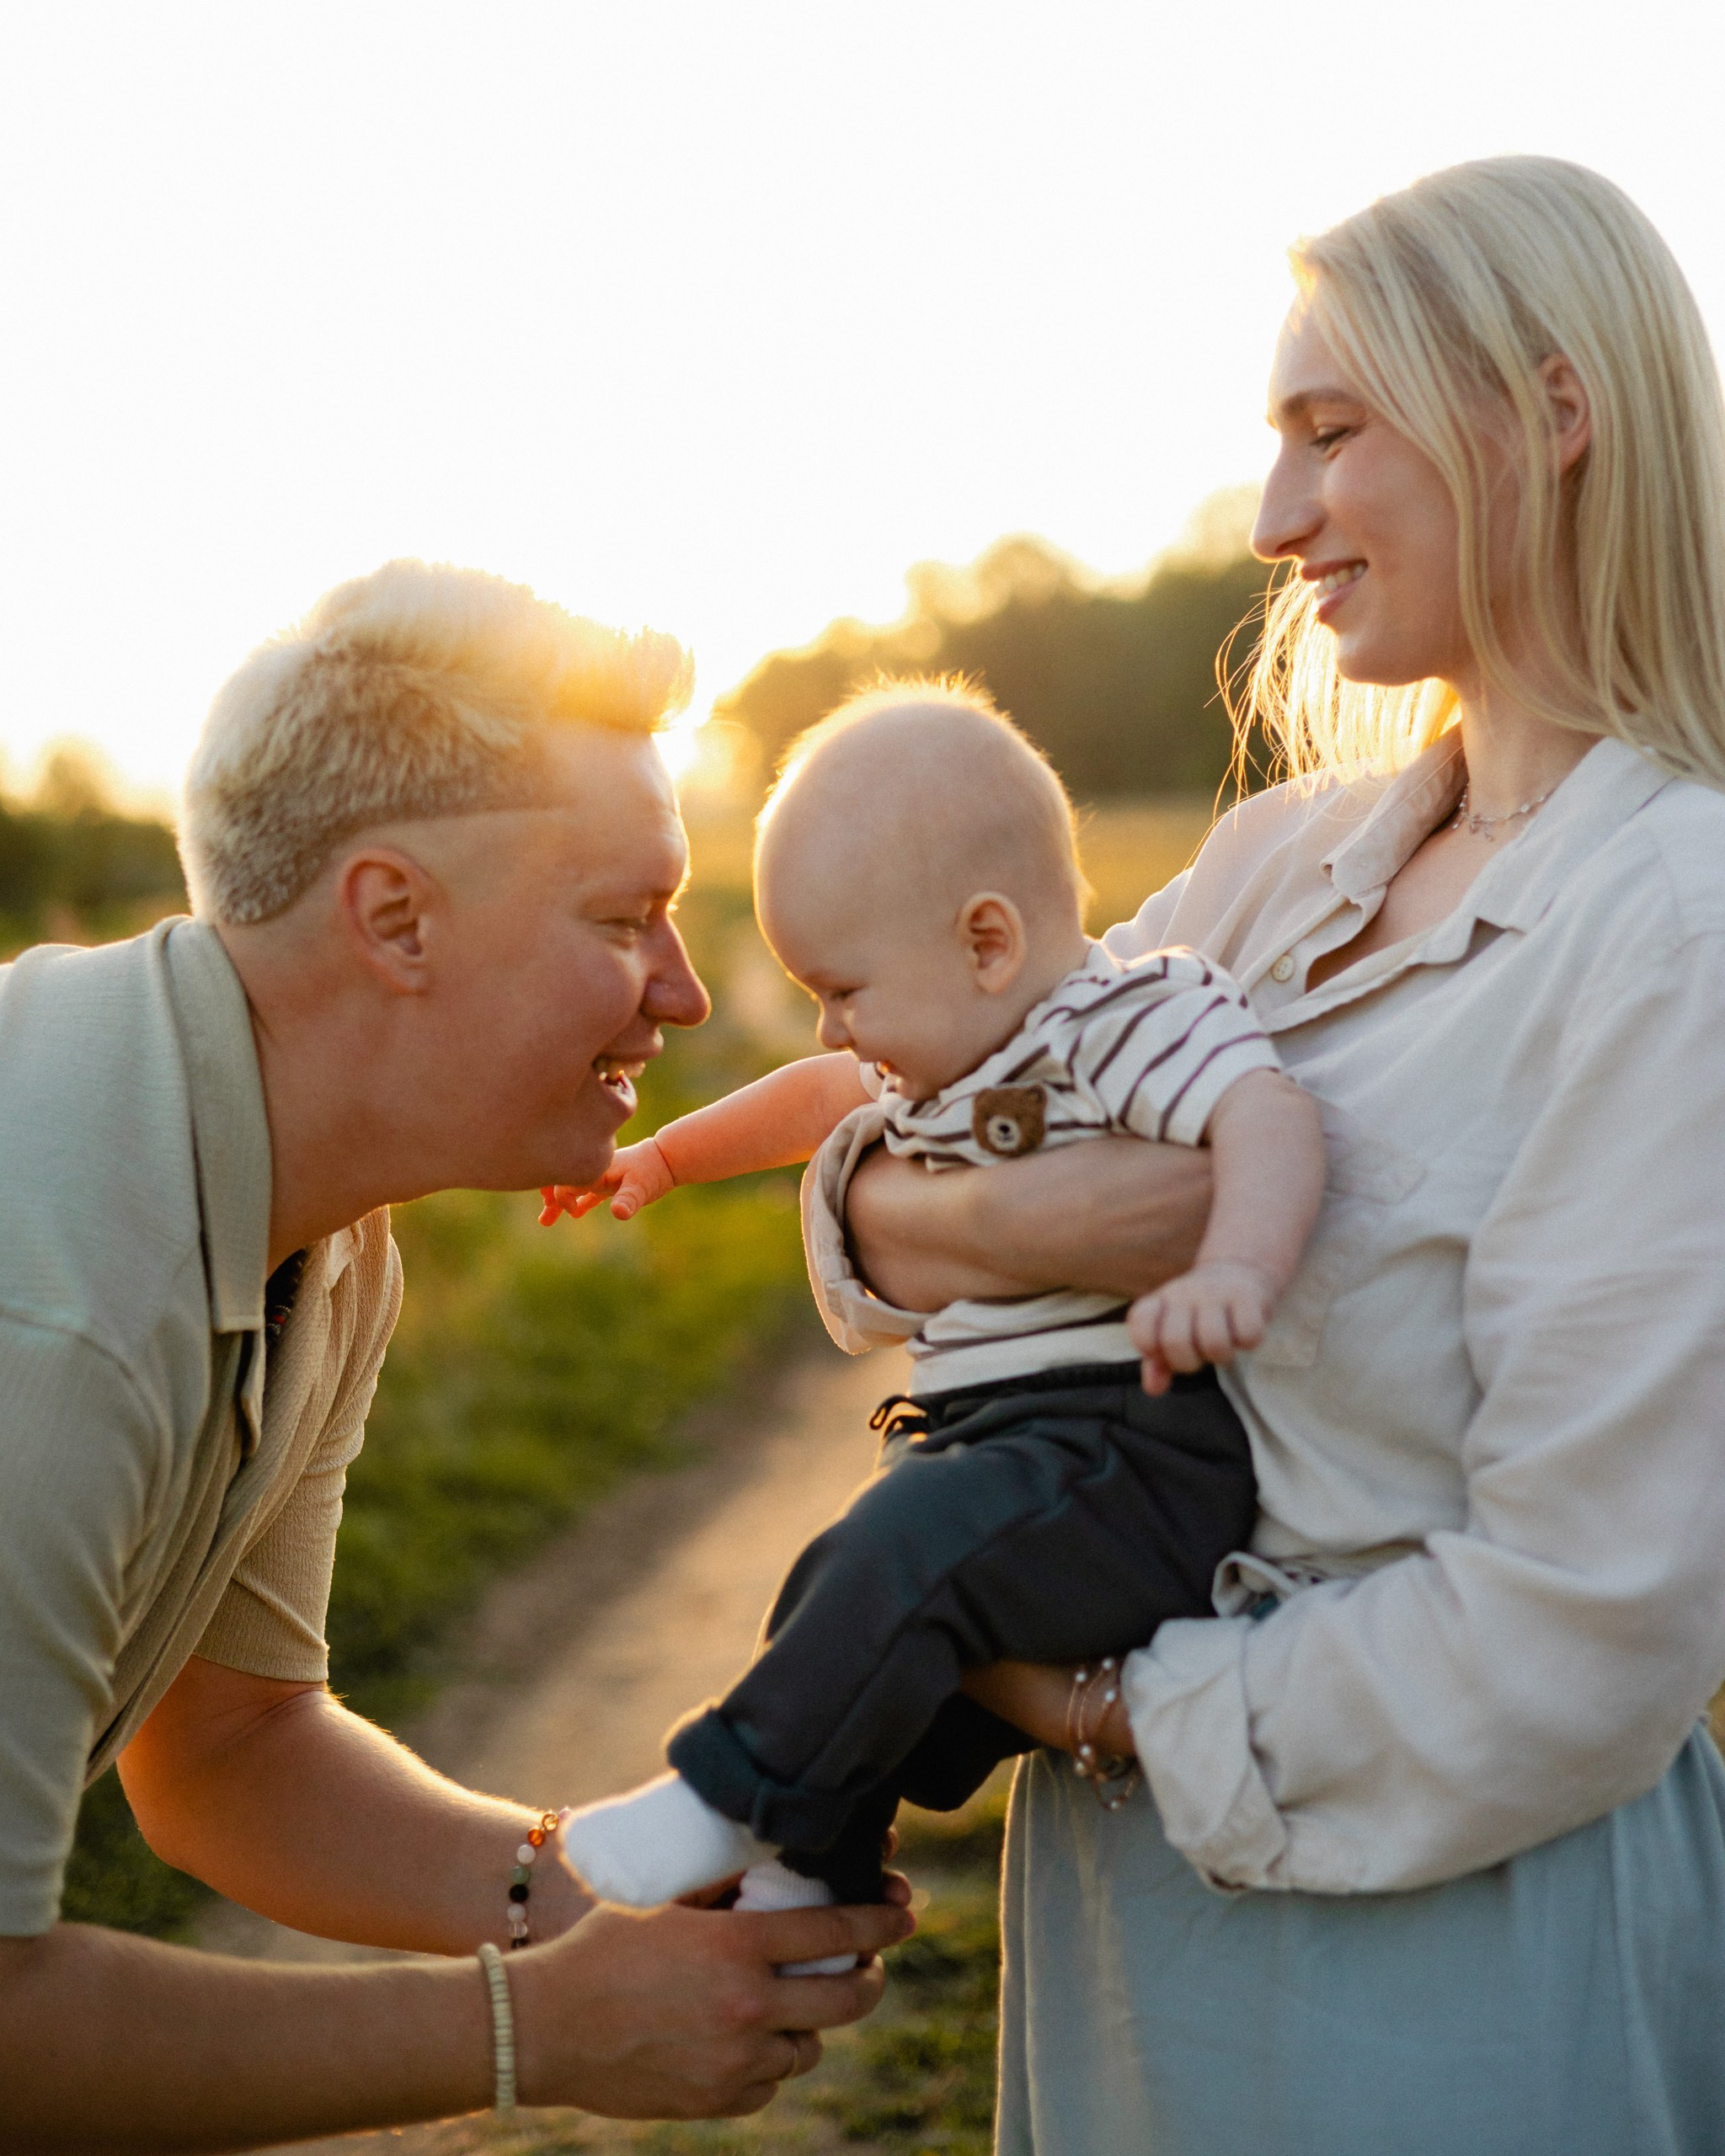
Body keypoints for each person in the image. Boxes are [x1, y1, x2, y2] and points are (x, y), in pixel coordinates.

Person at [836, 157, 1725, 2152]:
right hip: (1135, 1938)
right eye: (1272, 444)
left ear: (1552, 417)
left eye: (1333, 433)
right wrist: (939, 1209)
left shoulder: (1675, 922)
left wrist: (1093, 1706)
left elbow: (1590, 1617)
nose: (1272, 519)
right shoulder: (1273, 863)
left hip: (1457, 1977)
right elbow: (935, 1104)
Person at [0, 563, 910, 2153]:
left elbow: (226, 1749)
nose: (687, 997)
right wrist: (535, 2029)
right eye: (624, 919)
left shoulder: (320, 1229)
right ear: (394, 918)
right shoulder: (57, 1318)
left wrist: (599, 1888)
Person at [544, 682, 1322, 1940]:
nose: (832, 1025)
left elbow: (1266, 1113)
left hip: (1128, 1451)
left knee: (892, 1558)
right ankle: (811, 1875)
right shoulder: (953, 1037)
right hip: (1019, 1447)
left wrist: (1239, 1266)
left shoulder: (1117, 1020)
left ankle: (720, 1792)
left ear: (986, 942)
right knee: (847, 1606)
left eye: (845, 990)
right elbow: (813, 1098)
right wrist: (668, 1161)